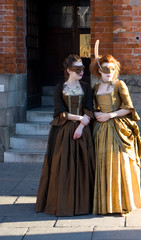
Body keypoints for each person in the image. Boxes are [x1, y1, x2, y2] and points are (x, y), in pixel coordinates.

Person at [35, 54, 95, 216]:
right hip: (63, 131)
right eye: (77, 69)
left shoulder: (86, 87)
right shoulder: (59, 87)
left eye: (82, 68)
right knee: (62, 165)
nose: (81, 72)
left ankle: (83, 204)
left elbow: (89, 109)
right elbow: (59, 112)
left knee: (83, 165)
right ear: (68, 70)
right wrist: (78, 118)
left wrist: (81, 126)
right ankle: (62, 202)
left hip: (83, 130)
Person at [90, 54, 141, 215]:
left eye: (112, 69)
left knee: (119, 163)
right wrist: (96, 114)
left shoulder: (120, 85)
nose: (109, 72)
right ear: (99, 70)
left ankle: (121, 203)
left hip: (117, 128)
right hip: (100, 130)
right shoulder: (95, 88)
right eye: (106, 69)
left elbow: (129, 108)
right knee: (102, 164)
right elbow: (94, 107)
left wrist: (110, 115)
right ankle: (105, 203)